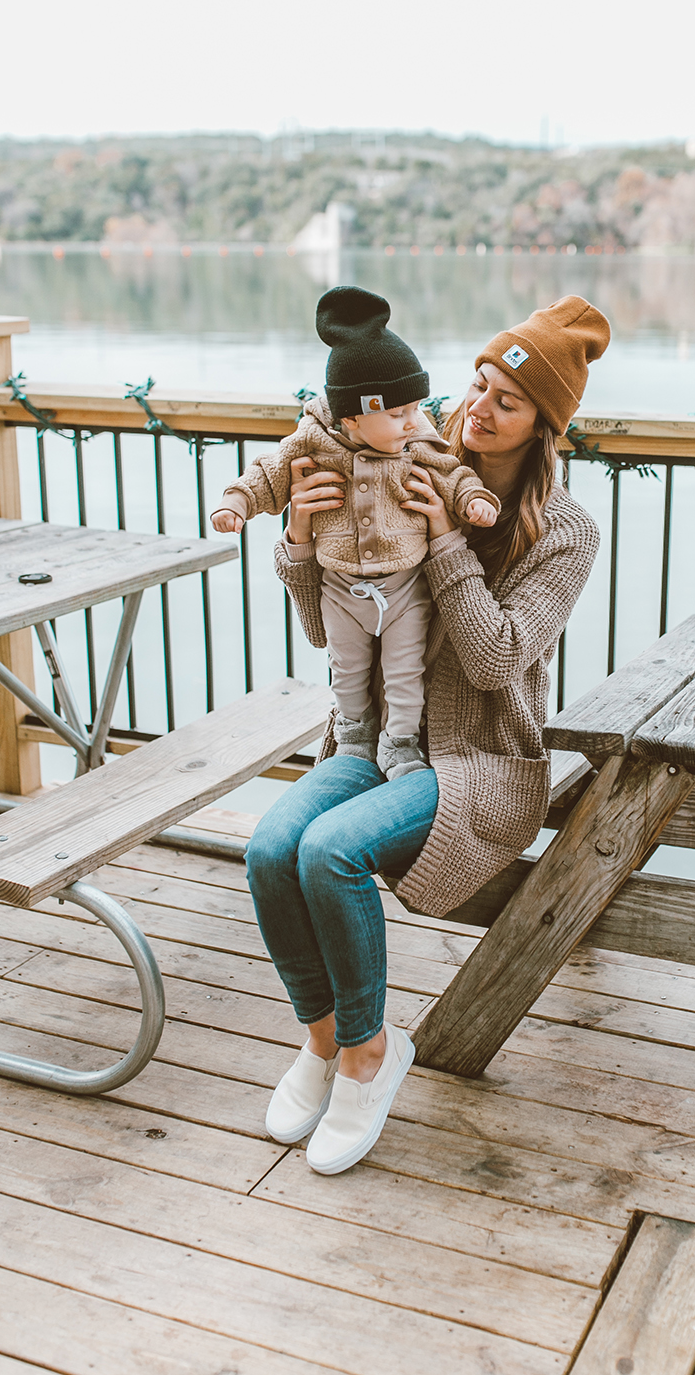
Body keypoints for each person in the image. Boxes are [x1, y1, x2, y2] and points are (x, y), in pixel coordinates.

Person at [246, 293, 610, 1176]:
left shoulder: (564, 532)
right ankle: (325, 1042)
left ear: (542, 426)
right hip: (375, 744)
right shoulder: (402, 458)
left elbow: (494, 662)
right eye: (478, 384)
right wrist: (300, 537)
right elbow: (323, 631)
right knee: (267, 848)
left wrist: (444, 535)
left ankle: (373, 1058)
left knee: (330, 851)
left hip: (481, 763)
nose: (477, 407)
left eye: (507, 400)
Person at [211, 286, 499, 779]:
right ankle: (354, 732)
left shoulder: (416, 443)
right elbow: (270, 471)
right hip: (339, 588)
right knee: (346, 669)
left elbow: (452, 473)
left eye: (415, 408)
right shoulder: (314, 442)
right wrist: (238, 501)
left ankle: (401, 742)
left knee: (404, 672)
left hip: (406, 588)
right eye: (397, 413)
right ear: (352, 416)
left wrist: (473, 500)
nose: (413, 422)